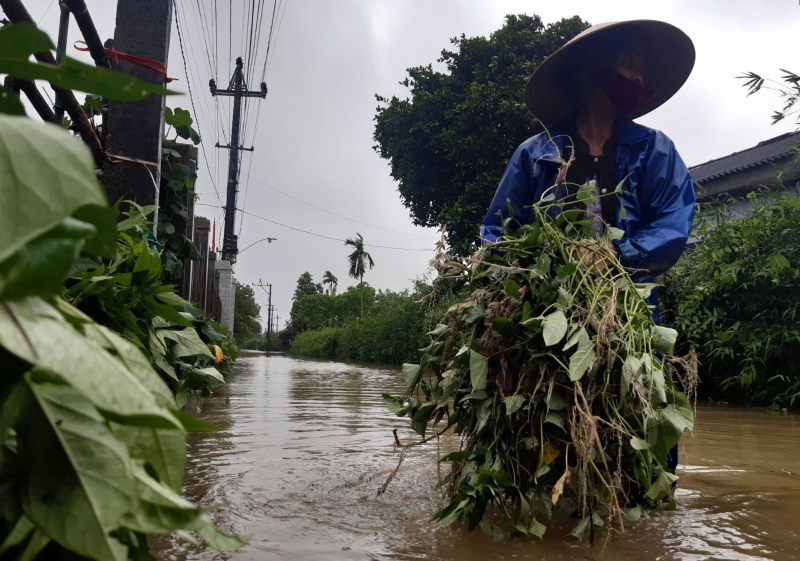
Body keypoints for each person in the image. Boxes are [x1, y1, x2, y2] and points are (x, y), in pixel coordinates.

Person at [480, 20, 696, 473]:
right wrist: (533, 272)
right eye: (628, 63)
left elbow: (674, 225)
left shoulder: (656, 152)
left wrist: (616, 255)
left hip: (630, 315)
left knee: (640, 440)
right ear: (590, 68)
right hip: (545, 321)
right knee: (540, 440)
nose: (637, 77)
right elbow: (498, 233)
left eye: (642, 68)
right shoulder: (535, 154)